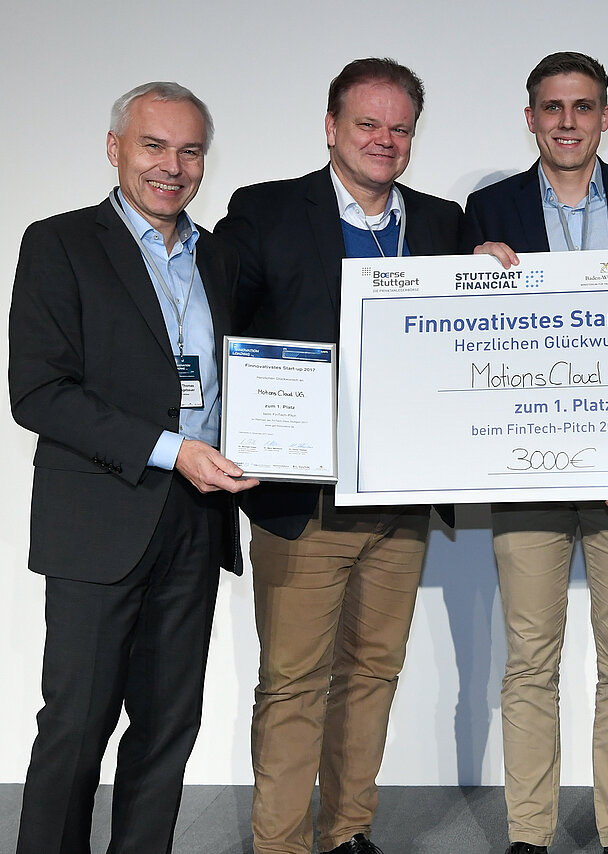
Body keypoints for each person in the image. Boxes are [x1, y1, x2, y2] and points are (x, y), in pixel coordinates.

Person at [214, 58, 461, 854]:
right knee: (293, 683)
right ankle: (281, 844)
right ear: (331, 127)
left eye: (400, 128)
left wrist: (495, 276)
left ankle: (347, 830)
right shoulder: (265, 212)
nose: (385, 140)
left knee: (372, 675)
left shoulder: (443, 223)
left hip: (400, 497)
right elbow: (218, 327)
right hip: (303, 500)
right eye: (368, 123)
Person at [9, 82, 255, 854]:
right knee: (77, 724)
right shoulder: (60, 243)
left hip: (197, 519)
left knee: (167, 726)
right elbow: (38, 391)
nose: (172, 166)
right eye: (154, 145)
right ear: (114, 148)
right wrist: (171, 449)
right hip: (99, 520)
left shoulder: (220, 257)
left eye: (190, 151)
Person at [459, 51, 608, 854]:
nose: (567, 121)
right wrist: (465, 276)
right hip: (527, 468)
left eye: (583, 106)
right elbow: (457, 334)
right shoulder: (488, 207)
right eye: (552, 107)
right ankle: (529, 835)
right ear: (530, 118)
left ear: (604, 117)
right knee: (529, 660)